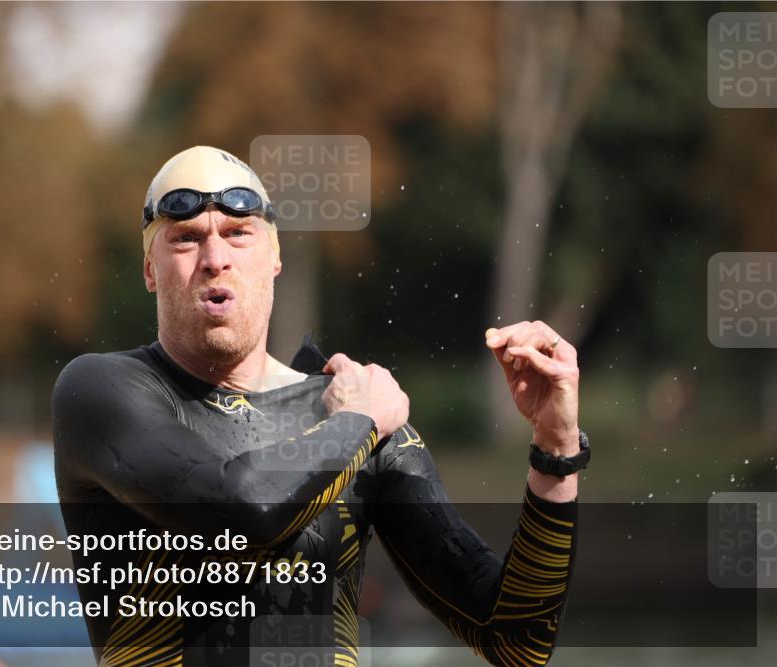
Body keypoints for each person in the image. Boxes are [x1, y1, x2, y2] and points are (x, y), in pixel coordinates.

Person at [52, 146, 588, 667]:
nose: (215, 259)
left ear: (275, 258)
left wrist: (556, 448)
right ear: (150, 270)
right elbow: (240, 510)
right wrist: (360, 422)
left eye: (238, 234)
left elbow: (516, 642)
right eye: (186, 239)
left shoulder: (349, 412)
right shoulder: (104, 392)